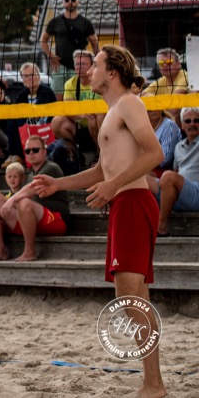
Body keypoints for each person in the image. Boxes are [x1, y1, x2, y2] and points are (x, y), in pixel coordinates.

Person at [33, 46, 166, 398]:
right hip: (124, 202)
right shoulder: (111, 112)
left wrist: (113, 185)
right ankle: (153, 383)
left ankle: (154, 384)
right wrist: (59, 183)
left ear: (112, 73)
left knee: (129, 300)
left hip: (134, 202)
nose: (88, 71)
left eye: (94, 65)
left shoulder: (129, 104)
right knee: (137, 299)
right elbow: (101, 170)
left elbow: (156, 153)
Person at [0, 135, 68, 262]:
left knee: (24, 203)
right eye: (27, 151)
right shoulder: (30, 174)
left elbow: (32, 188)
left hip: (56, 220)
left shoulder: (51, 167)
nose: (31, 153)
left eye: (35, 150)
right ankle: (0, 250)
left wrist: (11, 200)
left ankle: (30, 252)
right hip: (34, 220)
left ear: (44, 152)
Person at [39, 0, 99, 98]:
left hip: (79, 66)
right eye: (67, 0)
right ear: (63, 2)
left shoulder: (85, 23)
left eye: (73, 0)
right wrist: (50, 55)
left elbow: (95, 43)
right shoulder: (55, 22)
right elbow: (43, 40)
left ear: (78, 2)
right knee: (57, 96)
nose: (70, 2)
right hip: (59, 65)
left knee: (78, 95)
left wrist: (96, 63)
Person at [158, 108, 199, 235]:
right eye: (188, 121)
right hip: (179, 194)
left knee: (168, 176)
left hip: (196, 194)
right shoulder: (178, 147)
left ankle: (161, 227)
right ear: (182, 125)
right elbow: (175, 171)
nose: (192, 124)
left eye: (196, 120)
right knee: (143, 179)